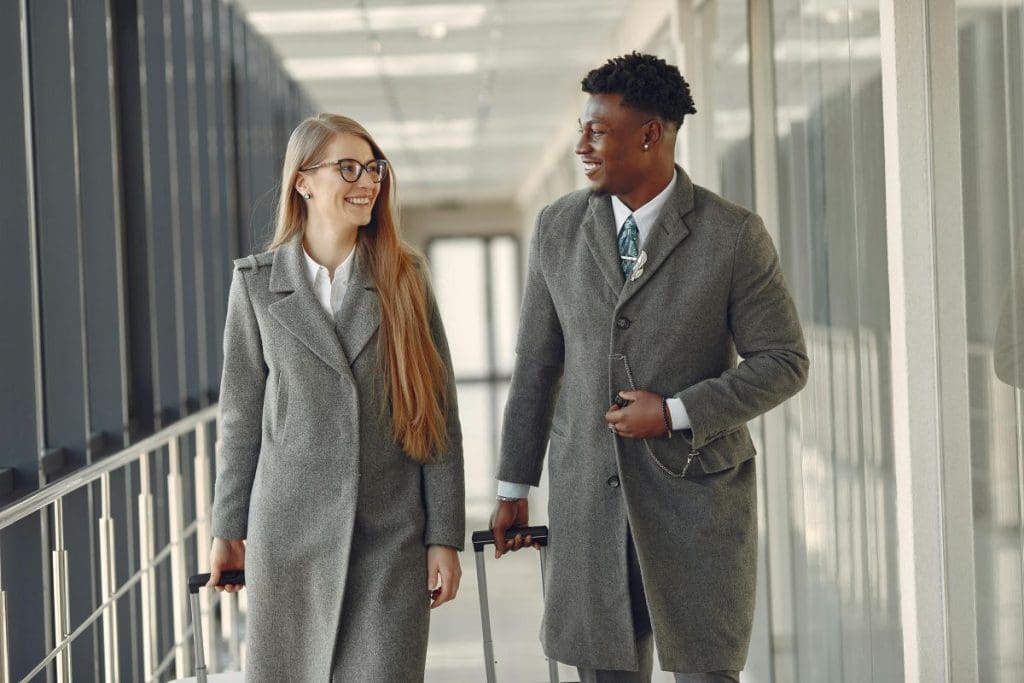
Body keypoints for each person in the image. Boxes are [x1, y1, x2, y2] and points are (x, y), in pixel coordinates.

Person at [490, 53, 809, 682]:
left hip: (696, 501)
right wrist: (512, 487)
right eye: (582, 128)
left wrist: (673, 412)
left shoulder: (732, 234)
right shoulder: (558, 228)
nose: (582, 144)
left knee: (704, 670)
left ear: (650, 134)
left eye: (598, 131)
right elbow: (536, 367)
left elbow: (784, 361)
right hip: (588, 500)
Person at [207, 113, 465, 681]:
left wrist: (443, 535)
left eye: (374, 168)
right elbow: (240, 417)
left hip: (389, 538)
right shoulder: (255, 283)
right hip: (288, 541)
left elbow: (436, 416)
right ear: (304, 181)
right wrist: (227, 527)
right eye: (349, 167)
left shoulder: (405, 278)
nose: (368, 181)